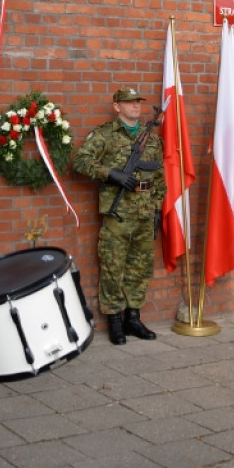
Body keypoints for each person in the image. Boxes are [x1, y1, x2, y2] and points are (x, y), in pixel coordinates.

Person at [73, 86, 165, 345]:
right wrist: (112, 174)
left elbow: (159, 175)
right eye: (129, 102)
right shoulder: (105, 134)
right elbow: (81, 161)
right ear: (117, 106)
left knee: (140, 266)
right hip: (118, 213)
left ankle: (133, 318)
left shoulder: (153, 139)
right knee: (113, 267)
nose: (136, 106)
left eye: (138, 102)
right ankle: (114, 321)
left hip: (145, 212)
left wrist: (158, 208)